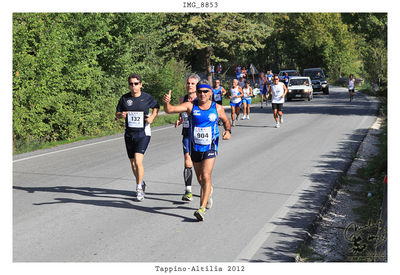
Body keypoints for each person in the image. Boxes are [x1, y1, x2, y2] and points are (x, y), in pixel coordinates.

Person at [163, 80, 232, 221]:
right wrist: (166, 102)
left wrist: (228, 131)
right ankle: (208, 192)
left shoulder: (217, 108)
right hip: (195, 146)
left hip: (211, 146)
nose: (202, 94)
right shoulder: (190, 106)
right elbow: (169, 110)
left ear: (210, 93)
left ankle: (201, 208)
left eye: (205, 91)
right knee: (200, 178)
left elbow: (226, 120)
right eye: (199, 91)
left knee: (206, 175)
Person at [116, 73, 160, 201]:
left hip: (143, 133)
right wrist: (121, 115)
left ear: (140, 84)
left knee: (138, 160)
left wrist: (152, 117)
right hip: (129, 133)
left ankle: (139, 188)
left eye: (136, 83)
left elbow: (156, 107)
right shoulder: (124, 98)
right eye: (131, 84)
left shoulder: (146, 98)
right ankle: (141, 181)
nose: (133, 86)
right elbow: (117, 113)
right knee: (133, 163)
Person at [175, 74, 200, 201]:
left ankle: (205, 186)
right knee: (187, 160)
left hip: (199, 136)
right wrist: (180, 119)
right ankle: (188, 191)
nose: (189, 85)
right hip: (186, 133)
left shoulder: (201, 100)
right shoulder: (184, 99)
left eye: (192, 83)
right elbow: (182, 111)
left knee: (200, 165)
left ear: (197, 86)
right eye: (188, 83)